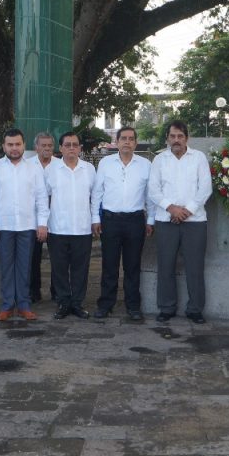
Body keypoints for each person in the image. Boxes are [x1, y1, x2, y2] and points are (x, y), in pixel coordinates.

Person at [0, 128, 49, 321]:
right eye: (10, 144)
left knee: (25, 267)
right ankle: (7, 305)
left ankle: (24, 305)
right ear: (4, 146)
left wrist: (42, 224)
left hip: (27, 226)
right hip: (3, 226)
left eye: (17, 144)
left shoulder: (34, 168)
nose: (14, 148)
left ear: (23, 145)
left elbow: (42, 198)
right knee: (6, 267)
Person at [149, 120, 212, 324]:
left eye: (180, 136)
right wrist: (172, 208)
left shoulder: (199, 158)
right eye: (173, 136)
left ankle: (195, 309)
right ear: (167, 138)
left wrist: (187, 210)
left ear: (187, 138)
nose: (176, 140)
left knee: (195, 267)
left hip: (195, 221)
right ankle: (166, 308)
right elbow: (153, 190)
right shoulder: (159, 160)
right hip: (166, 219)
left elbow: (205, 188)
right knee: (165, 265)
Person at [92, 126, 154, 321]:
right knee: (109, 265)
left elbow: (149, 196)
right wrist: (95, 218)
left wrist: (150, 220)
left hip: (135, 221)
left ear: (135, 143)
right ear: (117, 142)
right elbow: (97, 193)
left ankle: (133, 306)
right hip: (110, 220)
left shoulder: (145, 165)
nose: (127, 142)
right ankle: (105, 304)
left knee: (132, 266)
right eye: (123, 138)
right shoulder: (105, 163)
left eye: (131, 139)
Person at [46, 132, 98, 320]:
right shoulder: (51, 170)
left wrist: (95, 220)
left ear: (80, 148)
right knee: (59, 269)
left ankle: (77, 303)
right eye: (67, 145)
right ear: (60, 148)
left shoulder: (89, 169)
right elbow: (43, 198)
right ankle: (63, 303)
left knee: (80, 270)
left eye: (75, 145)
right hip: (57, 228)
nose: (71, 148)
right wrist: (42, 223)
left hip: (82, 228)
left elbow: (95, 198)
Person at [28, 132, 61, 303]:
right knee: (33, 257)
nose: (47, 148)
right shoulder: (27, 165)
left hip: (56, 216)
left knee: (57, 257)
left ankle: (57, 291)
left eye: (50, 145)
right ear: (36, 147)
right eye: (43, 145)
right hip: (33, 217)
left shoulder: (60, 165)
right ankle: (34, 291)